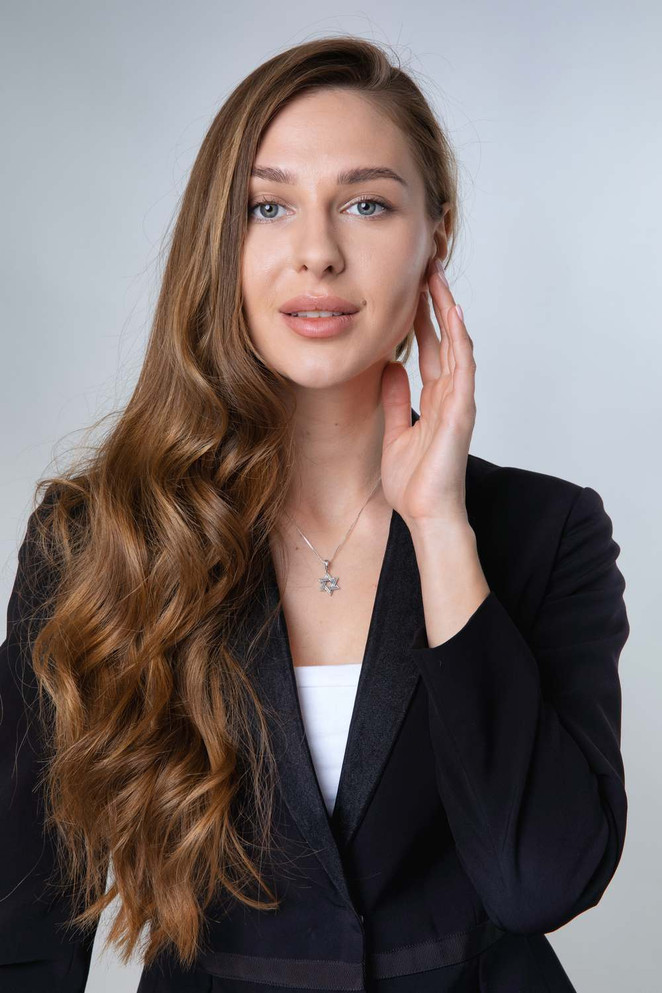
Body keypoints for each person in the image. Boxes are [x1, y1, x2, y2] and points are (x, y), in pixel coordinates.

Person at [0, 36, 629, 993]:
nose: (318, 252)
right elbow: (25, 919)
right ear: (224, 239)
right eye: (268, 205)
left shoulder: (548, 533)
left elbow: (537, 880)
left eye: (367, 203)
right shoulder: (98, 539)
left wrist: (442, 528)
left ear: (437, 236)